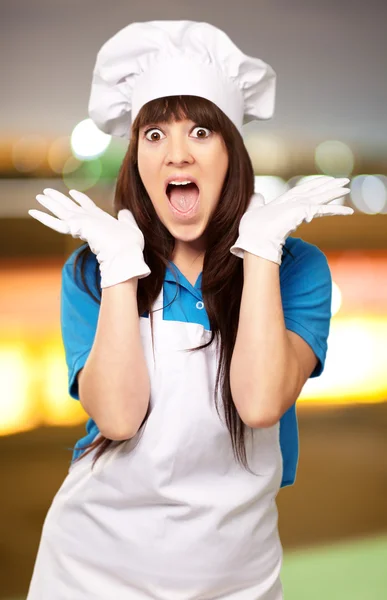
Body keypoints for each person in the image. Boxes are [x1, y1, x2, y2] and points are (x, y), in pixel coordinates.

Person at [26, 20, 353, 600]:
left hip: (238, 577)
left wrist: (260, 251)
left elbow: (257, 404)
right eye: (154, 135)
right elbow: (119, 419)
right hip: (91, 571)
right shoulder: (91, 272)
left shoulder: (298, 270)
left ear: (232, 150)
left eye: (201, 131)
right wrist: (121, 270)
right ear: (135, 157)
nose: (177, 154)